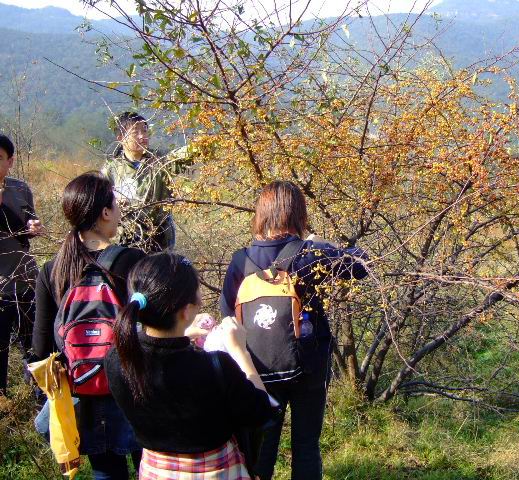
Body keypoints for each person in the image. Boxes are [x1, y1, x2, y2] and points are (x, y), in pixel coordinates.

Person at [220, 180, 369, 480]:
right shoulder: (308, 253)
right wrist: (324, 246)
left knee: (262, 449)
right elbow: (362, 264)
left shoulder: (241, 261)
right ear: (298, 214)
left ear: (262, 214)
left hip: (258, 369)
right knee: (306, 445)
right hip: (308, 366)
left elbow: (227, 316)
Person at [104, 253, 273, 480]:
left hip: (155, 472)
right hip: (216, 472)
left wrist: (183, 331)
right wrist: (240, 352)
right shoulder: (215, 367)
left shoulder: (118, 359)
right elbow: (261, 412)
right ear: (186, 311)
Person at [32, 172, 144, 479]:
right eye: (116, 204)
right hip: (133, 389)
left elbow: (41, 346)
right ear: (105, 212)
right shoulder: (133, 260)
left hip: (84, 389)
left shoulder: (53, 269)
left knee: (105, 471)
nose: (119, 211)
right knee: (150, 468)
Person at [102, 111, 191, 253]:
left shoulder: (160, 161)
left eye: (144, 131)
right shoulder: (111, 170)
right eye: (135, 132)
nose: (142, 136)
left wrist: (205, 144)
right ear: (121, 138)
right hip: (124, 240)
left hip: (160, 239)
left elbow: (183, 156)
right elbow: (100, 202)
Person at [0, 133, 44, 396]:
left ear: (10, 161)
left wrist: (34, 227)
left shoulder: (20, 189)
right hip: (0, 288)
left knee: (35, 349)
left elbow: (29, 225)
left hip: (26, 281)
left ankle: (41, 400)